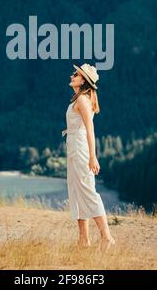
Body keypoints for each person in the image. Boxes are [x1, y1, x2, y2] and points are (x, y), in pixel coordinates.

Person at [62, 63, 116, 251]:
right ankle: (83, 240)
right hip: (74, 147)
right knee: (77, 192)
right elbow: (81, 125)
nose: (72, 76)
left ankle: (107, 237)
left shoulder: (83, 100)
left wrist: (93, 157)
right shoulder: (80, 99)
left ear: (83, 80)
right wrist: (70, 130)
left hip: (81, 150)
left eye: (75, 75)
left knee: (88, 191)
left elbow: (90, 129)